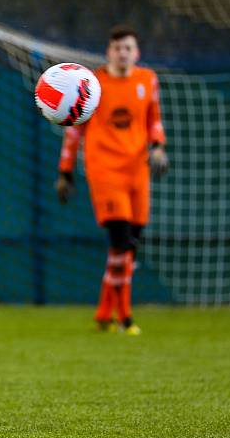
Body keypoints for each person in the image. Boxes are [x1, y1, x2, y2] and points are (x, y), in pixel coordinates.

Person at [55, 25, 168, 335]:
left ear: (137, 52)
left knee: (127, 248)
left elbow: (153, 120)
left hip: (138, 171)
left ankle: (105, 312)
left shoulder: (148, 80)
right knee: (121, 243)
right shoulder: (93, 85)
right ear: (108, 52)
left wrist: (158, 147)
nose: (123, 53)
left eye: (128, 48)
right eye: (117, 48)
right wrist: (65, 170)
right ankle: (125, 317)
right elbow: (74, 129)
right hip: (105, 171)